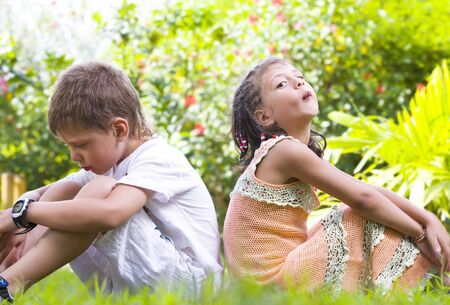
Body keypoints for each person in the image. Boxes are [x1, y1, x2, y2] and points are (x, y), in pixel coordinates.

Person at [0, 62, 222, 302]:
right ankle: (9, 269)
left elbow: (112, 213)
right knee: (65, 191)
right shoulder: (110, 164)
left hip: (191, 287)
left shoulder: (158, 157)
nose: (74, 156)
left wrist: (25, 213)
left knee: (100, 193)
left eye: (80, 145)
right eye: (69, 146)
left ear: (118, 129)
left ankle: (8, 285)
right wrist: (18, 226)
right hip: (143, 283)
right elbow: (46, 195)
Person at [223, 57, 449, 292]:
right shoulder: (283, 151)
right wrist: (420, 234)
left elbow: (364, 191)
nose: (299, 83)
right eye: (282, 84)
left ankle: (433, 281)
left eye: (299, 77)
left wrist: (427, 218)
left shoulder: (289, 152)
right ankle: (434, 281)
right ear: (264, 117)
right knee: (353, 216)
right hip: (272, 285)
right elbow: (362, 199)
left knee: (351, 214)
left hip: (271, 284)